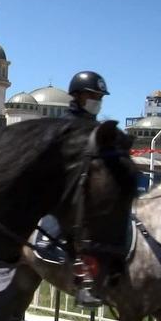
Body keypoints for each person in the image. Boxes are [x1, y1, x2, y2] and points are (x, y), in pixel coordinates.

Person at [64, 70, 111, 306]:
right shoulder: (67, 125)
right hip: (66, 191)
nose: (97, 101)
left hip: (90, 189)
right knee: (84, 228)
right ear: (78, 96)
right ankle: (84, 283)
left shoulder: (97, 128)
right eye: (93, 95)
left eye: (100, 97)